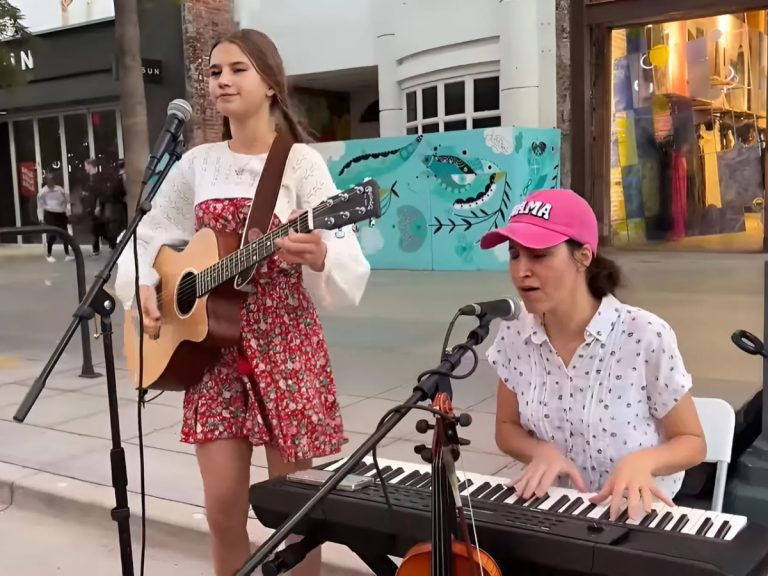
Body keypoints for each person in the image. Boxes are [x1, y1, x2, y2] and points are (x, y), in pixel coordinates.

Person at [113, 29, 371, 576]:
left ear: (271, 84)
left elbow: (347, 259)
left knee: (296, 517)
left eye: (237, 69)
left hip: (285, 347)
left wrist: (321, 254)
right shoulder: (197, 165)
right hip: (208, 354)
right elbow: (146, 235)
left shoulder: (300, 165)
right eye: (214, 72)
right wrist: (142, 284)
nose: (222, 80)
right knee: (222, 512)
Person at [481, 188, 706, 523]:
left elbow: (693, 442)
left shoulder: (643, 334)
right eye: (514, 255)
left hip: (638, 515)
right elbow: (506, 427)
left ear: (583, 257)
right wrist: (540, 451)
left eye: (539, 256)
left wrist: (643, 462)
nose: (521, 271)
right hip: (553, 510)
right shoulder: (515, 334)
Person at [37, 173, 73, 263]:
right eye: (49, 180)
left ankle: (67, 254)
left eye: (52, 180)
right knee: (52, 234)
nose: (51, 182)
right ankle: (49, 254)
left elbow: (67, 201)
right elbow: (40, 207)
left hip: (61, 214)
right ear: (46, 182)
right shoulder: (42, 192)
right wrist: (41, 219)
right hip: (50, 214)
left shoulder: (60, 190)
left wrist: (68, 213)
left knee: (65, 234)